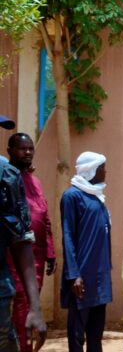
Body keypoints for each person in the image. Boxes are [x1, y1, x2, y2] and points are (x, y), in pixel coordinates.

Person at [0, 115, 47, 352]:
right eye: (22, 148)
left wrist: (35, 307)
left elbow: (21, 239)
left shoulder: (6, 175)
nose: (28, 152)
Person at [6, 133, 55, 352]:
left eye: (30, 148)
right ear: (10, 151)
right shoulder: (6, 179)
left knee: (30, 303)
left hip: (37, 255)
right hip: (14, 253)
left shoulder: (35, 182)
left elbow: (44, 218)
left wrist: (50, 253)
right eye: (22, 148)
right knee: (21, 302)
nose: (27, 152)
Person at [60, 151, 112, 352]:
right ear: (91, 170)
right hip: (81, 277)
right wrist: (74, 275)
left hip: (100, 276)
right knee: (77, 334)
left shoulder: (97, 196)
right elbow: (68, 236)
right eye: (102, 168)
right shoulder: (72, 196)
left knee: (96, 334)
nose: (105, 171)